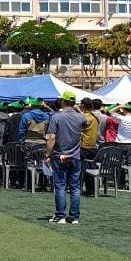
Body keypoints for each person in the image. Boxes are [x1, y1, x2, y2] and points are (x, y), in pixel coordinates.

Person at [45, 93, 87, 225]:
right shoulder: (80, 117)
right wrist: (78, 110)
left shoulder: (56, 117)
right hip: (75, 156)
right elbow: (85, 122)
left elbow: (52, 138)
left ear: (63, 101)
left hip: (59, 155)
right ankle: (74, 216)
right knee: (75, 187)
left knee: (60, 186)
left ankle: (60, 215)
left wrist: (47, 154)